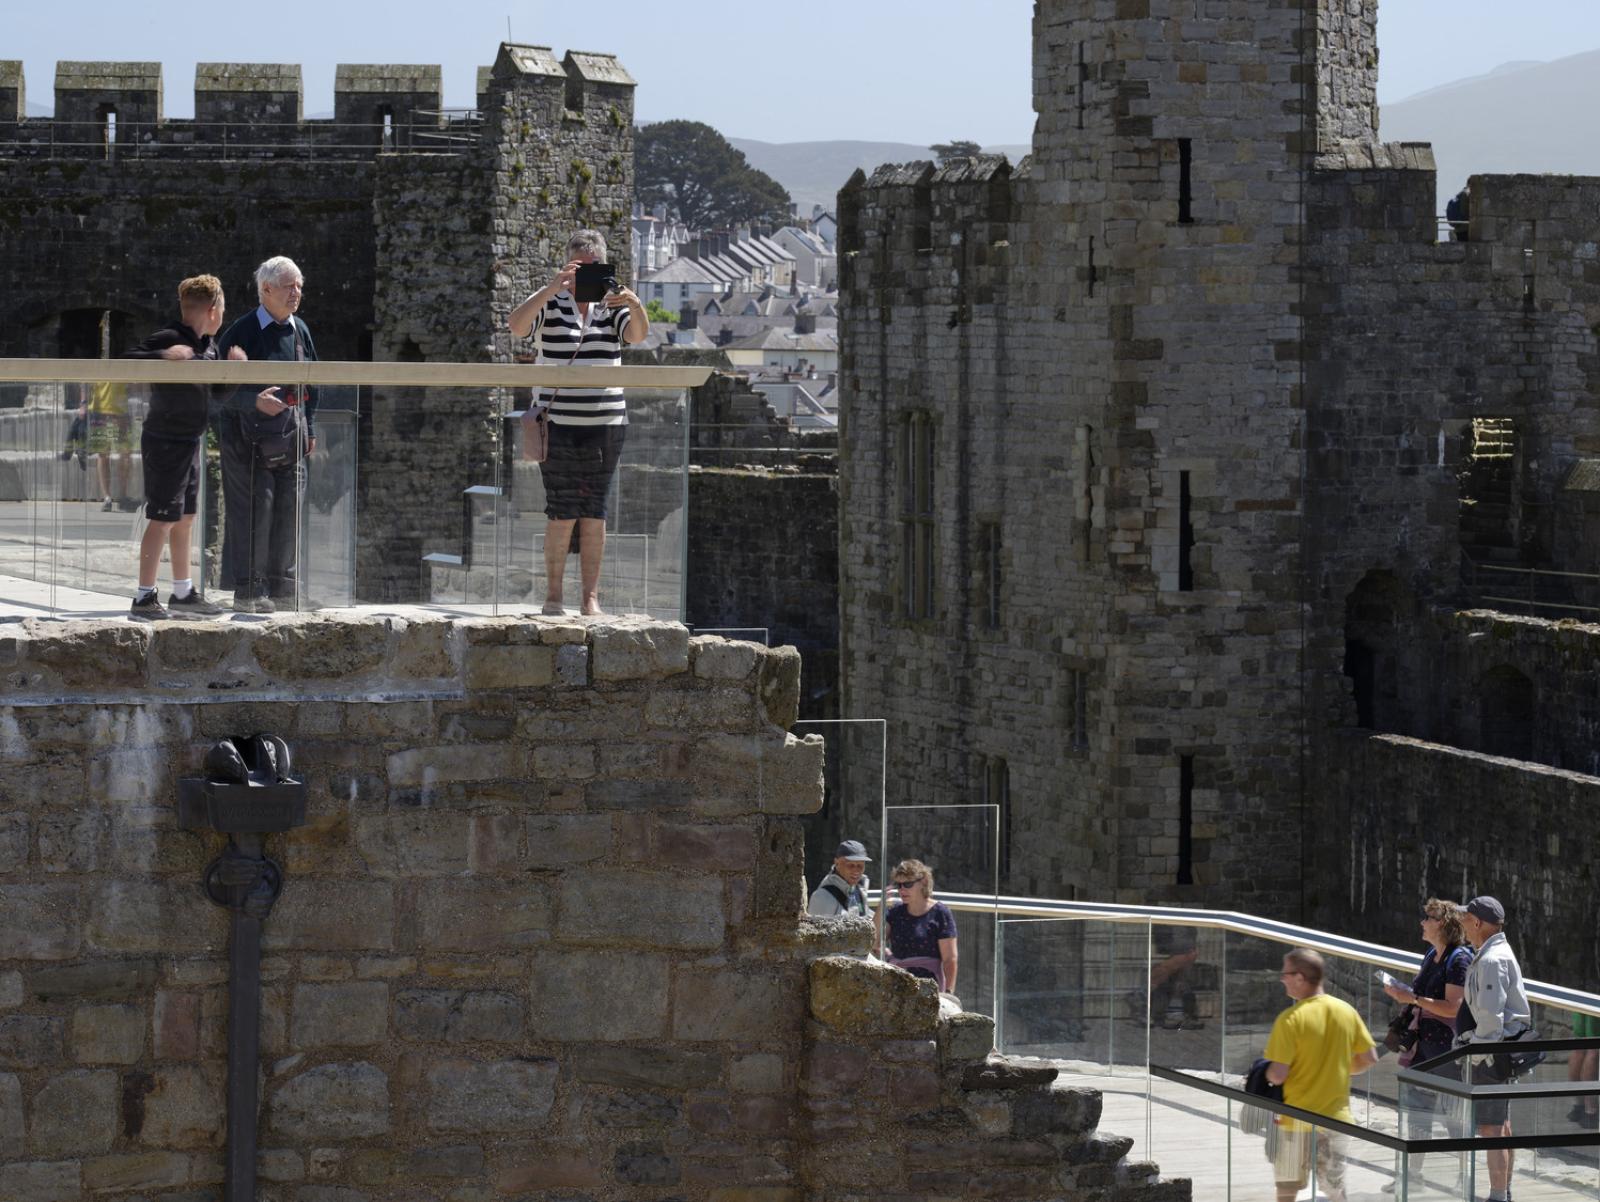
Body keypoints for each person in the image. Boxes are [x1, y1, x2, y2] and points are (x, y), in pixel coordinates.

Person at [507, 230, 649, 617]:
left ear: (603, 266)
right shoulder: (552, 302)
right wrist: (551, 288)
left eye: (592, 266)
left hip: (606, 424)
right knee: (562, 510)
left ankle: (590, 598)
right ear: (566, 265)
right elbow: (517, 326)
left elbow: (637, 335)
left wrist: (635, 303)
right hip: (559, 425)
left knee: (595, 510)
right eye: (577, 266)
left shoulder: (613, 304)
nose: (584, 274)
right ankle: (553, 595)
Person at [121, 275, 231, 620]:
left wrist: (235, 371)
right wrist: (164, 355)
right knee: (162, 518)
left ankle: (183, 591)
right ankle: (143, 597)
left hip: (190, 440)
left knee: (185, 518)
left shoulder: (209, 347)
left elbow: (218, 396)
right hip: (165, 441)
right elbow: (125, 358)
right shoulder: (170, 336)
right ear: (212, 310)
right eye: (222, 309)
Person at [215, 256, 318, 614]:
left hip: (291, 438)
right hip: (246, 440)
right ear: (266, 289)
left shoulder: (300, 329)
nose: (297, 293)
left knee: (290, 511)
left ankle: (285, 591)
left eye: (299, 286)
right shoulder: (241, 331)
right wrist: (252, 401)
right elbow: (215, 390)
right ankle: (249, 591)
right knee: (256, 511)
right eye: (289, 286)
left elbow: (314, 381)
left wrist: (312, 428)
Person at [1263, 948, 1378, 1202]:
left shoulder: (1290, 1019)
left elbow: (1278, 1075)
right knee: (1335, 1190)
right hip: (1336, 1120)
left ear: (1300, 978)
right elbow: (1369, 1058)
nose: (1282, 979)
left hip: (1295, 1120)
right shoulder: (1345, 1010)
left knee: (1287, 1189)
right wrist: (1335, 1069)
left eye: (1286, 974)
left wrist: (1263, 1073)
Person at [1456, 895, 1531, 1202]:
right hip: (1495, 1055)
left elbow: (1490, 1020)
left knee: (1490, 1129)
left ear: (1478, 923)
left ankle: (1498, 1196)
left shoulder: (1490, 960)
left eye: (1466, 920)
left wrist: (1474, 1056)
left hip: (1489, 1058)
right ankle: (1503, 1191)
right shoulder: (1493, 952)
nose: (1462, 925)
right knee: (1500, 1126)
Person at [884, 859, 958, 994]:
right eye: (899, 885)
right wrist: (881, 904)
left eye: (908, 884)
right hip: (897, 985)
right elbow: (876, 942)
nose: (902, 890)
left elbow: (949, 959)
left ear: (923, 882)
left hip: (928, 987)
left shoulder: (940, 913)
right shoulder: (896, 912)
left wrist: (948, 993)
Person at [86, 377, 135, 511]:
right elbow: (85, 379)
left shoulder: (121, 356)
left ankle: (123, 496)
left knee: (125, 454)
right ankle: (106, 497)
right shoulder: (97, 356)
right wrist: (83, 403)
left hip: (120, 410)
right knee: (103, 454)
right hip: (99, 409)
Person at [807, 839, 872, 917]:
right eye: (850, 865)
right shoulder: (822, 897)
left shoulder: (859, 890)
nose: (856, 870)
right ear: (837, 863)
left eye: (860, 866)